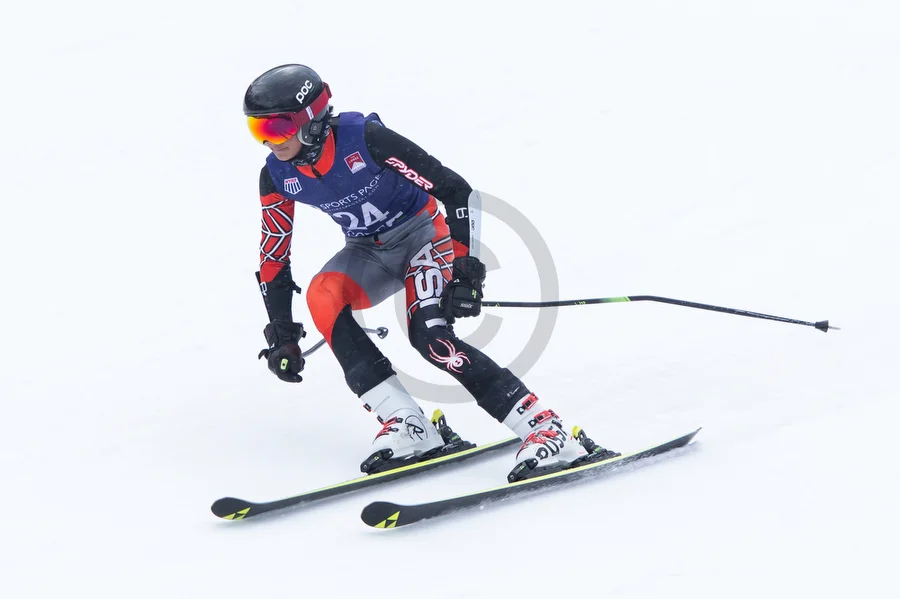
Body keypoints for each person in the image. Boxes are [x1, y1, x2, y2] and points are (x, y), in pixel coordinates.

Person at [243, 64, 617, 481]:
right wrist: (282, 330)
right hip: (367, 252)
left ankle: (547, 429)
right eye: (257, 130)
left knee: (429, 335)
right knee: (323, 295)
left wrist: (466, 272)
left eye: (276, 128)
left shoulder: (364, 139)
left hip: (424, 237)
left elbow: (456, 190)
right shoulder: (276, 175)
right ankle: (408, 424)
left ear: (311, 121)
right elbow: (273, 255)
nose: (268, 141)